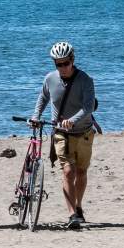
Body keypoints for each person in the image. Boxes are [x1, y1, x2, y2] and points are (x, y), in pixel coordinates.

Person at [32, 41, 97, 230]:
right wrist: (36, 116)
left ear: (72, 59)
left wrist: (73, 120)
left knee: (82, 172)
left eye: (65, 63)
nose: (62, 68)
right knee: (68, 171)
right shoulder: (50, 78)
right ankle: (71, 215)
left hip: (83, 133)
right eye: (58, 64)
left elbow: (89, 107)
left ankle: (78, 206)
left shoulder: (86, 80)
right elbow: (43, 97)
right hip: (61, 134)